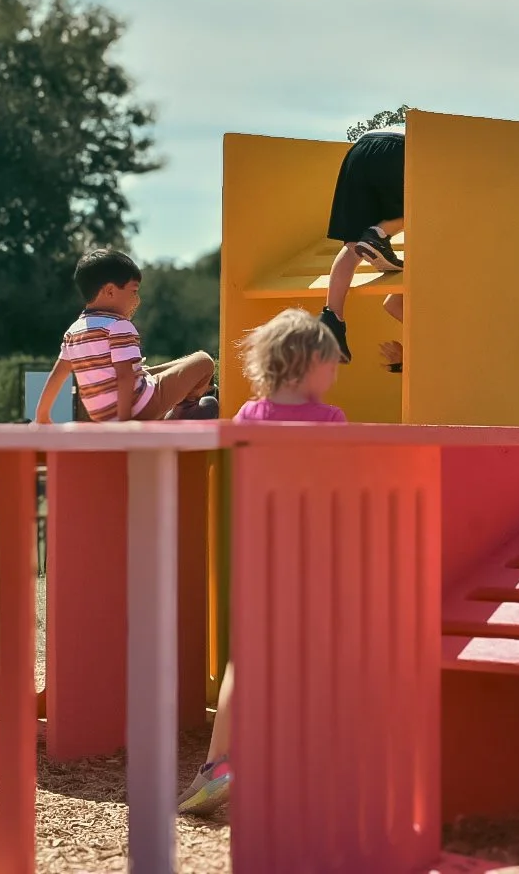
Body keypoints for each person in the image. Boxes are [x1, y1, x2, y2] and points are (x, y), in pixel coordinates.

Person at [179, 309, 347, 816]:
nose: (337, 367)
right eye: (332, 359)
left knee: (244, 662)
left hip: (260, 554)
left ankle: (216, 767)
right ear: (308, 363)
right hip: (313, 557)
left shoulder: (251, 415)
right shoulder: (331, 420)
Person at [35, 250, 217, 424]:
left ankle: (177, 407)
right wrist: (124, 423)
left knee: (147, 370)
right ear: (110, 291)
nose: (137, 300)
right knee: (203, 361)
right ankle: (185, 411)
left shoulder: (73, 332)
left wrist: (42, 415)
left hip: (102, 416)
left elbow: (58, 374)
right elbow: (124, 376)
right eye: (134, 291)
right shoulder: (118, 326)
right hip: (138, 408)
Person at [319, 124, 405, 364]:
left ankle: (332, 319)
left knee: (353, 244)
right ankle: (379, 235)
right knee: (424, 209)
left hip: (359, 151)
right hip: (400, 148)